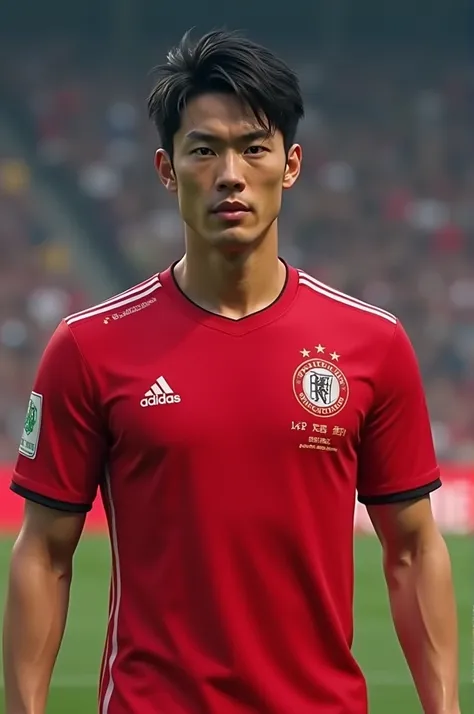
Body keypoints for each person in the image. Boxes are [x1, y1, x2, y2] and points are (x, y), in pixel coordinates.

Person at [3, 30, 460, 714]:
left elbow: (414, 550)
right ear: (166, 168)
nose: (230, 173)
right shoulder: (89, 346)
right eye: (204, 150)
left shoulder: (372, 343)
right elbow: (44, 553)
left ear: (292, 162)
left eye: (253, 147)